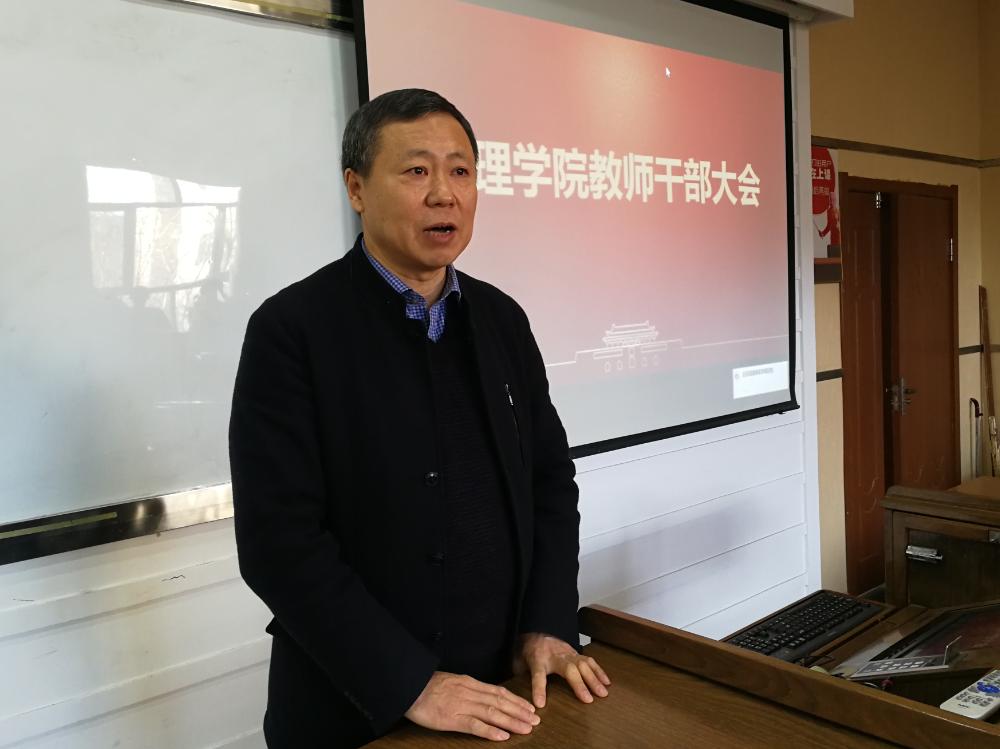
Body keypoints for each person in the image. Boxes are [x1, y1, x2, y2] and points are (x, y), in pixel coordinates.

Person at [230, 88, 610, 748]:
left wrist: (548, 621)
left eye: (460, 171)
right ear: (356, 188)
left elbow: (549, 481)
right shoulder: (291, 330)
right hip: (354, 711)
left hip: (501, 692)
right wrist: (411, 683)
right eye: (416, 171)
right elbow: (278, 544)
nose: (444, 194)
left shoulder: (502, 319)